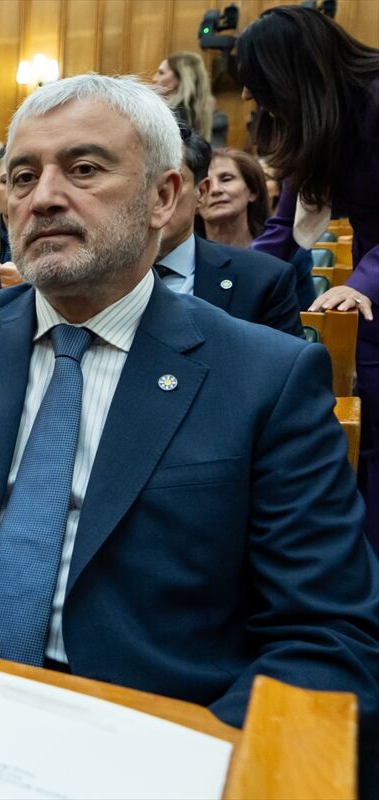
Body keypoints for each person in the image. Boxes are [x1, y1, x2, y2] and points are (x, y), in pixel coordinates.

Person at [0, 75, 379, 763]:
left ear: (163, 197)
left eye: (83, 169)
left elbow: (325, 635)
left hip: (143, 734)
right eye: (23, 176)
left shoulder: (266, 377)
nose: (44, 197)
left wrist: (188, 760)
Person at [238, 5, 379, 550]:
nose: (246, 95)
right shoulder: (318, 121)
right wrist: (227, 285)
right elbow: (281, 232)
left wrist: (363, 283)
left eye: (254, 79)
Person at [159, 132, 302, 336]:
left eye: (172, 183)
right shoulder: (109, 277)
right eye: (143, 183)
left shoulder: (267, 277)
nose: (154, 197)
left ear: (201, 192)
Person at [153, 51, 213, 140]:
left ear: (179, 78)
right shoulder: (196, 114)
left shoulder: (172, 117)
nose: (154, 78)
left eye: (161, 73)